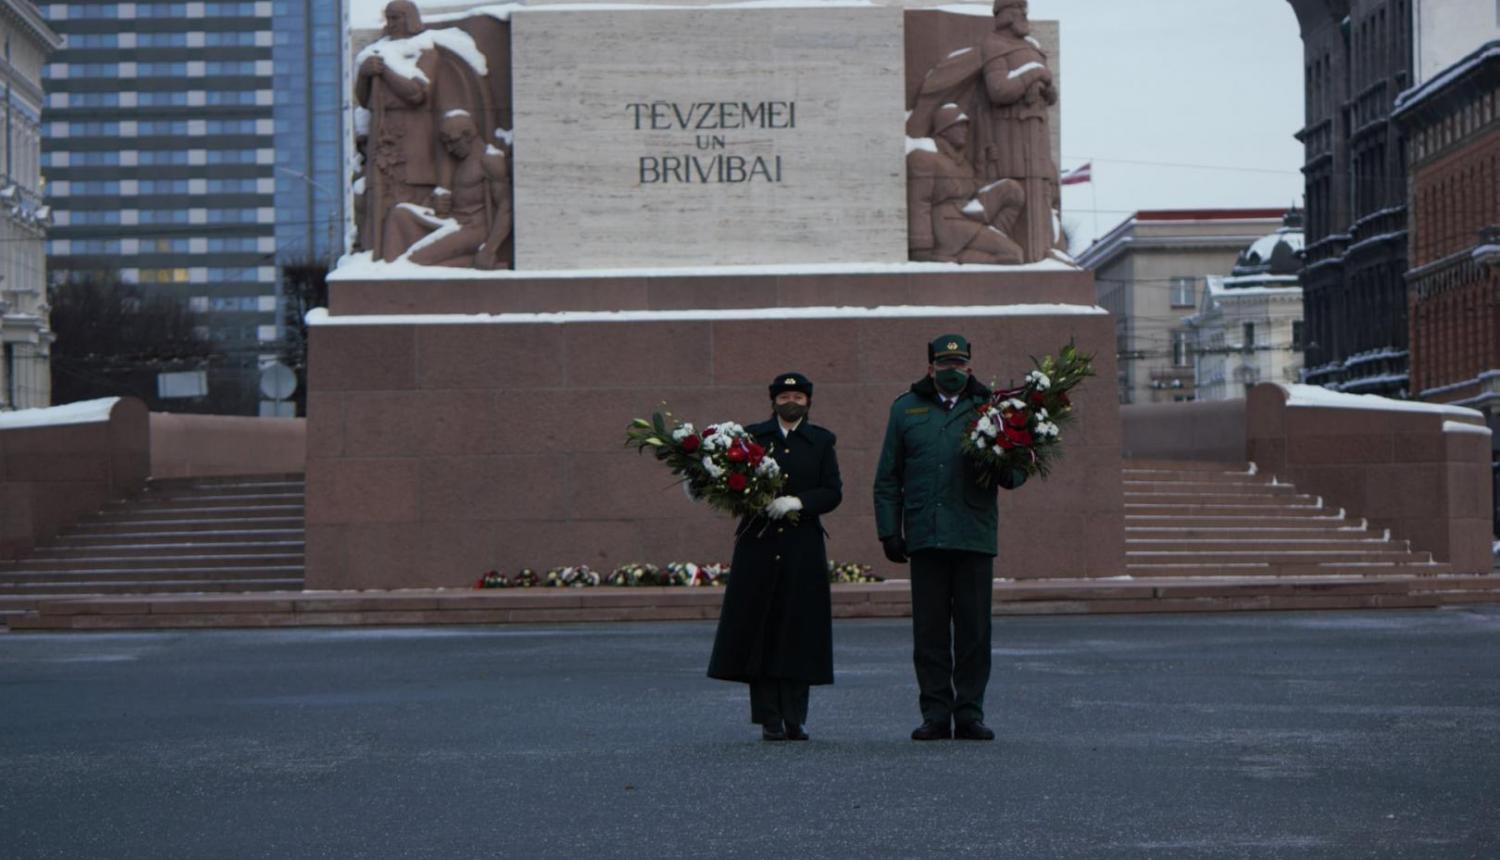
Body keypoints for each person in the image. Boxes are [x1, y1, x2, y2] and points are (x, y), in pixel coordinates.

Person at [872, 335, 1027, 741]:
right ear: (930, 368)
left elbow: (1017, 469)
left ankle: (970, 712)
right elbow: (889, 476)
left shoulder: (992, 409)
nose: (952, 371)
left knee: (975, 631)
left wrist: (1007, 463)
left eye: (959, 364)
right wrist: (889, 530)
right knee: (930, 632)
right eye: (945, 365)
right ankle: (936, 713)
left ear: (971, 367)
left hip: (973, 534)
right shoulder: (906, 409)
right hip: (926, 535)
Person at [708, 372, 843, 742]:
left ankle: (796, 717)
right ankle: (769, 717)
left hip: (802, 548)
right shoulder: (751, 438)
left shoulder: (820, 441)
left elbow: (832, 491)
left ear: (808, 402)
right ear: (773, 401)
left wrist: (799, 502)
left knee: (798, 631)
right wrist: (752, 499)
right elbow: (729, 482)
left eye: (799, 396)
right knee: (762, 629)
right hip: (760, 545)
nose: (792, 402)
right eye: (785, 396)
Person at [381, 111, 512, 268]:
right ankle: (385, 270)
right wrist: (435, 204)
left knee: (415, 260)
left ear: (468, 135)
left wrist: (489, 250)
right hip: (453, 221)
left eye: (453, 142)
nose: (450, 149)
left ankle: (479, 263)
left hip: (474, 228)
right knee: (399, 214)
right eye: (446, 143)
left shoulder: (490, 160)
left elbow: (506, 207)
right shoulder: (464, 161)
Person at [906, 104, 1024, 264]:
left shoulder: (963, 164)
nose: (965, 131)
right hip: (947, 225)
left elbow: (973, 190)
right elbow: (919, 202)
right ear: (945, 129)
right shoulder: (924, 158)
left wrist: (983, 164)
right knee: (1013, 255)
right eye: (959, 127)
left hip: (967, 217)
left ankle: (964, 250)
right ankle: (947, 257)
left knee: (1013, 191)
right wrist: (920, 245)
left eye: (965, 127)